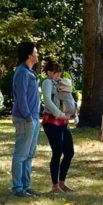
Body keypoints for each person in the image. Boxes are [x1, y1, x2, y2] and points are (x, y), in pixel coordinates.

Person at [10, 41, 41, 197]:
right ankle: (17, 188)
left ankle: (26, 185)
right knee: (21, 154)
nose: (38, 54)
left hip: (33, 119)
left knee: (29, 154)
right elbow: (21, 98)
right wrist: (28, 117)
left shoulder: (29, 72)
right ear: (29, 55)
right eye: (35, 52)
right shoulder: (22, 73)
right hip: (25, 119)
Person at [39, 60, 75, 193]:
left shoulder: (59, 82)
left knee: (69, 151)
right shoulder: (47, 82)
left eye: (59, 72)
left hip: (63, 121)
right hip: (52, 121)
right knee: (57, 152)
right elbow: (47, 100)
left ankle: (62, 182)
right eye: (56, 73)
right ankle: (55, 185)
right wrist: (58, 113)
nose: (58, 75)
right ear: (49, 72)